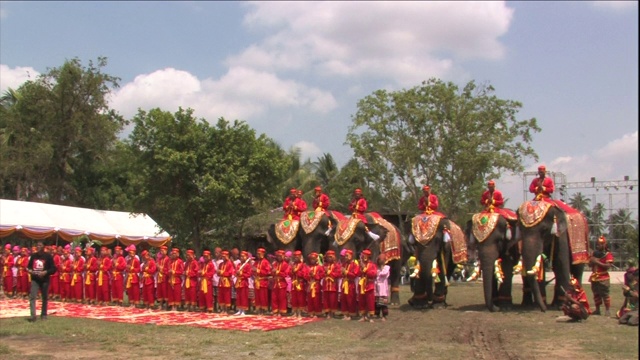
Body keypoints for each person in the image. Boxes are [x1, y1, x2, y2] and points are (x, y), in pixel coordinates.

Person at [26, 241, 56, 322]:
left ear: (43, 247)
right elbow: (28, 267)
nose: (38, 247)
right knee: (32, 297)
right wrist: (30, 271)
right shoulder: (33, 256)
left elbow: (53, 269)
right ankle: (33, 316)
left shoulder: (48, 256)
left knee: (44, 297)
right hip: (35, 279)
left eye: (40, 245)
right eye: (37, 245)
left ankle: (44, 315)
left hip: (44, 280)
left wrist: (45, 272)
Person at [589, 236, 614, 316]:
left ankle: (607, 310)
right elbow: (590, 265)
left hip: (603, 277)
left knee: (605, 294)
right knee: (596, 294)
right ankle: (597, 309)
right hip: (594, 277)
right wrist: (591, 261)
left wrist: (597, 262)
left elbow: (607, 266)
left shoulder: (608, 254)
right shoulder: (594, 253)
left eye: (599, 244)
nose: (597, 246)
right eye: (597, 244)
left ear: (604, 245)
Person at [358, 249, 378, 323]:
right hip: (362, 285)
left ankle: (371, 316)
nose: (363, 257)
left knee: (370, 301)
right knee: (362, 301)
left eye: (365, 255)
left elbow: (373, 274)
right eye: (363, 256)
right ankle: (363, 316)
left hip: (369, 285)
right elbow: (358, 274)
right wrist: (361, 268)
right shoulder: (361, 264)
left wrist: (365, 269)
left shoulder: (373, 265)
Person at [340, 249, 360, 320]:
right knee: (344, 299)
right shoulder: (344, 264)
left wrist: (346, 272)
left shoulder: (355, 265)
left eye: (347, 256)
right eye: (345, 256)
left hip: (350, 284)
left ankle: (351, 314)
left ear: (351, 256)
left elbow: (354, 275)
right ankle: (345, 314)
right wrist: (342, 272)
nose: (345, 257)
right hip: (344, 283)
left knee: (350, 299)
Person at [271, 249, 291, 316]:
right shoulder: (275, 264)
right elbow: (272, 273)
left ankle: (281, 311)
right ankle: (275, 311)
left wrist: (277, 271)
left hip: (282, 283)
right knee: (274, 297)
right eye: (278, 256)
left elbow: (285, 274)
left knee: (282, 298)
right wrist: (273, 272)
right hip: (275, 283)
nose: (279, 257)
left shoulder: (285, 264)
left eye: (280, 256)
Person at [323, 250, 342, 319]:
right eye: (328, 257)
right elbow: (322, 274)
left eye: (330, 257)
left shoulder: (337, 266)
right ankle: (327, 312)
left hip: (333, 285)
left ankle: (332, 313)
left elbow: (338, 274)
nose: (329, 259)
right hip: (326, 285)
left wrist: (329, 272)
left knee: (333, 299)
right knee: (326, 299)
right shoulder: (325, 265)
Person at [253, 248, 271, 316]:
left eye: (259, 254)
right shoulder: (256, 262)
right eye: (257, 254)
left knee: (263, 296)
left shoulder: (266, 262)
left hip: (263, 281)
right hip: (257, 281)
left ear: (262, 254)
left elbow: (267, 272)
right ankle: (258, 309)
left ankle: (263, 310)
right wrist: (254, 271)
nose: (257, 255)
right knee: (257, 296)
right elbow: (253, 270)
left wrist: (257, 270)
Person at [306, 252, 325, 318]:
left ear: (316, 259)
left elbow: (321, 276)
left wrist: (314, 275)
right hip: (309, 284)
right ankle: (311, 312)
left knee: (316, 299)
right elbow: (305, 275)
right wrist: (308, 276)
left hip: (316, 285)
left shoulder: (319, 267)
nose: (312, 260)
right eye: (311, 259)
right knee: (310, 299)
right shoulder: (308, 267)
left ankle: (317, 312)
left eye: (313, 259)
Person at [290, 250, 308, 318]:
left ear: (300, 257)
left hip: (300, 283)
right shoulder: (293, 265)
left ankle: (300, 312)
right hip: (294, 283)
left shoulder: (303, 265)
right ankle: (295, 312)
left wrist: (296, 271)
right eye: (295, 257)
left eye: (297, 257)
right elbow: (289, 273)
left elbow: (304, 274)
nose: (295, 258)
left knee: (300, 298)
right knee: (294, 298)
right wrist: (292, 271)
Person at [234, 251, 252, 316]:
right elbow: (235, 272)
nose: (241, 257)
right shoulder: (239, 265)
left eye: (243, 256)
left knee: (244, 296)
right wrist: (237, 273)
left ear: (246, 257)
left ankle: (243, 310)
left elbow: (249, 274)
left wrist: (241, 274)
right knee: (238, 297)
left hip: (244, 282)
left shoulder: (247, 265)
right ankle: (239, 309)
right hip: (238, 282)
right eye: (241, 256)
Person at [375, 254, 390, 322]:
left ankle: (384, 316)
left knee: (383, 303)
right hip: (377, 287)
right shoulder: (376, 268)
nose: (380, 261)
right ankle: (377, 314)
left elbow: (384, 273)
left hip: (383, 288)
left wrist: (381, 269)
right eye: (379, 260)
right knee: (377, 302)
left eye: (381, 260)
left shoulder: (387, 267)